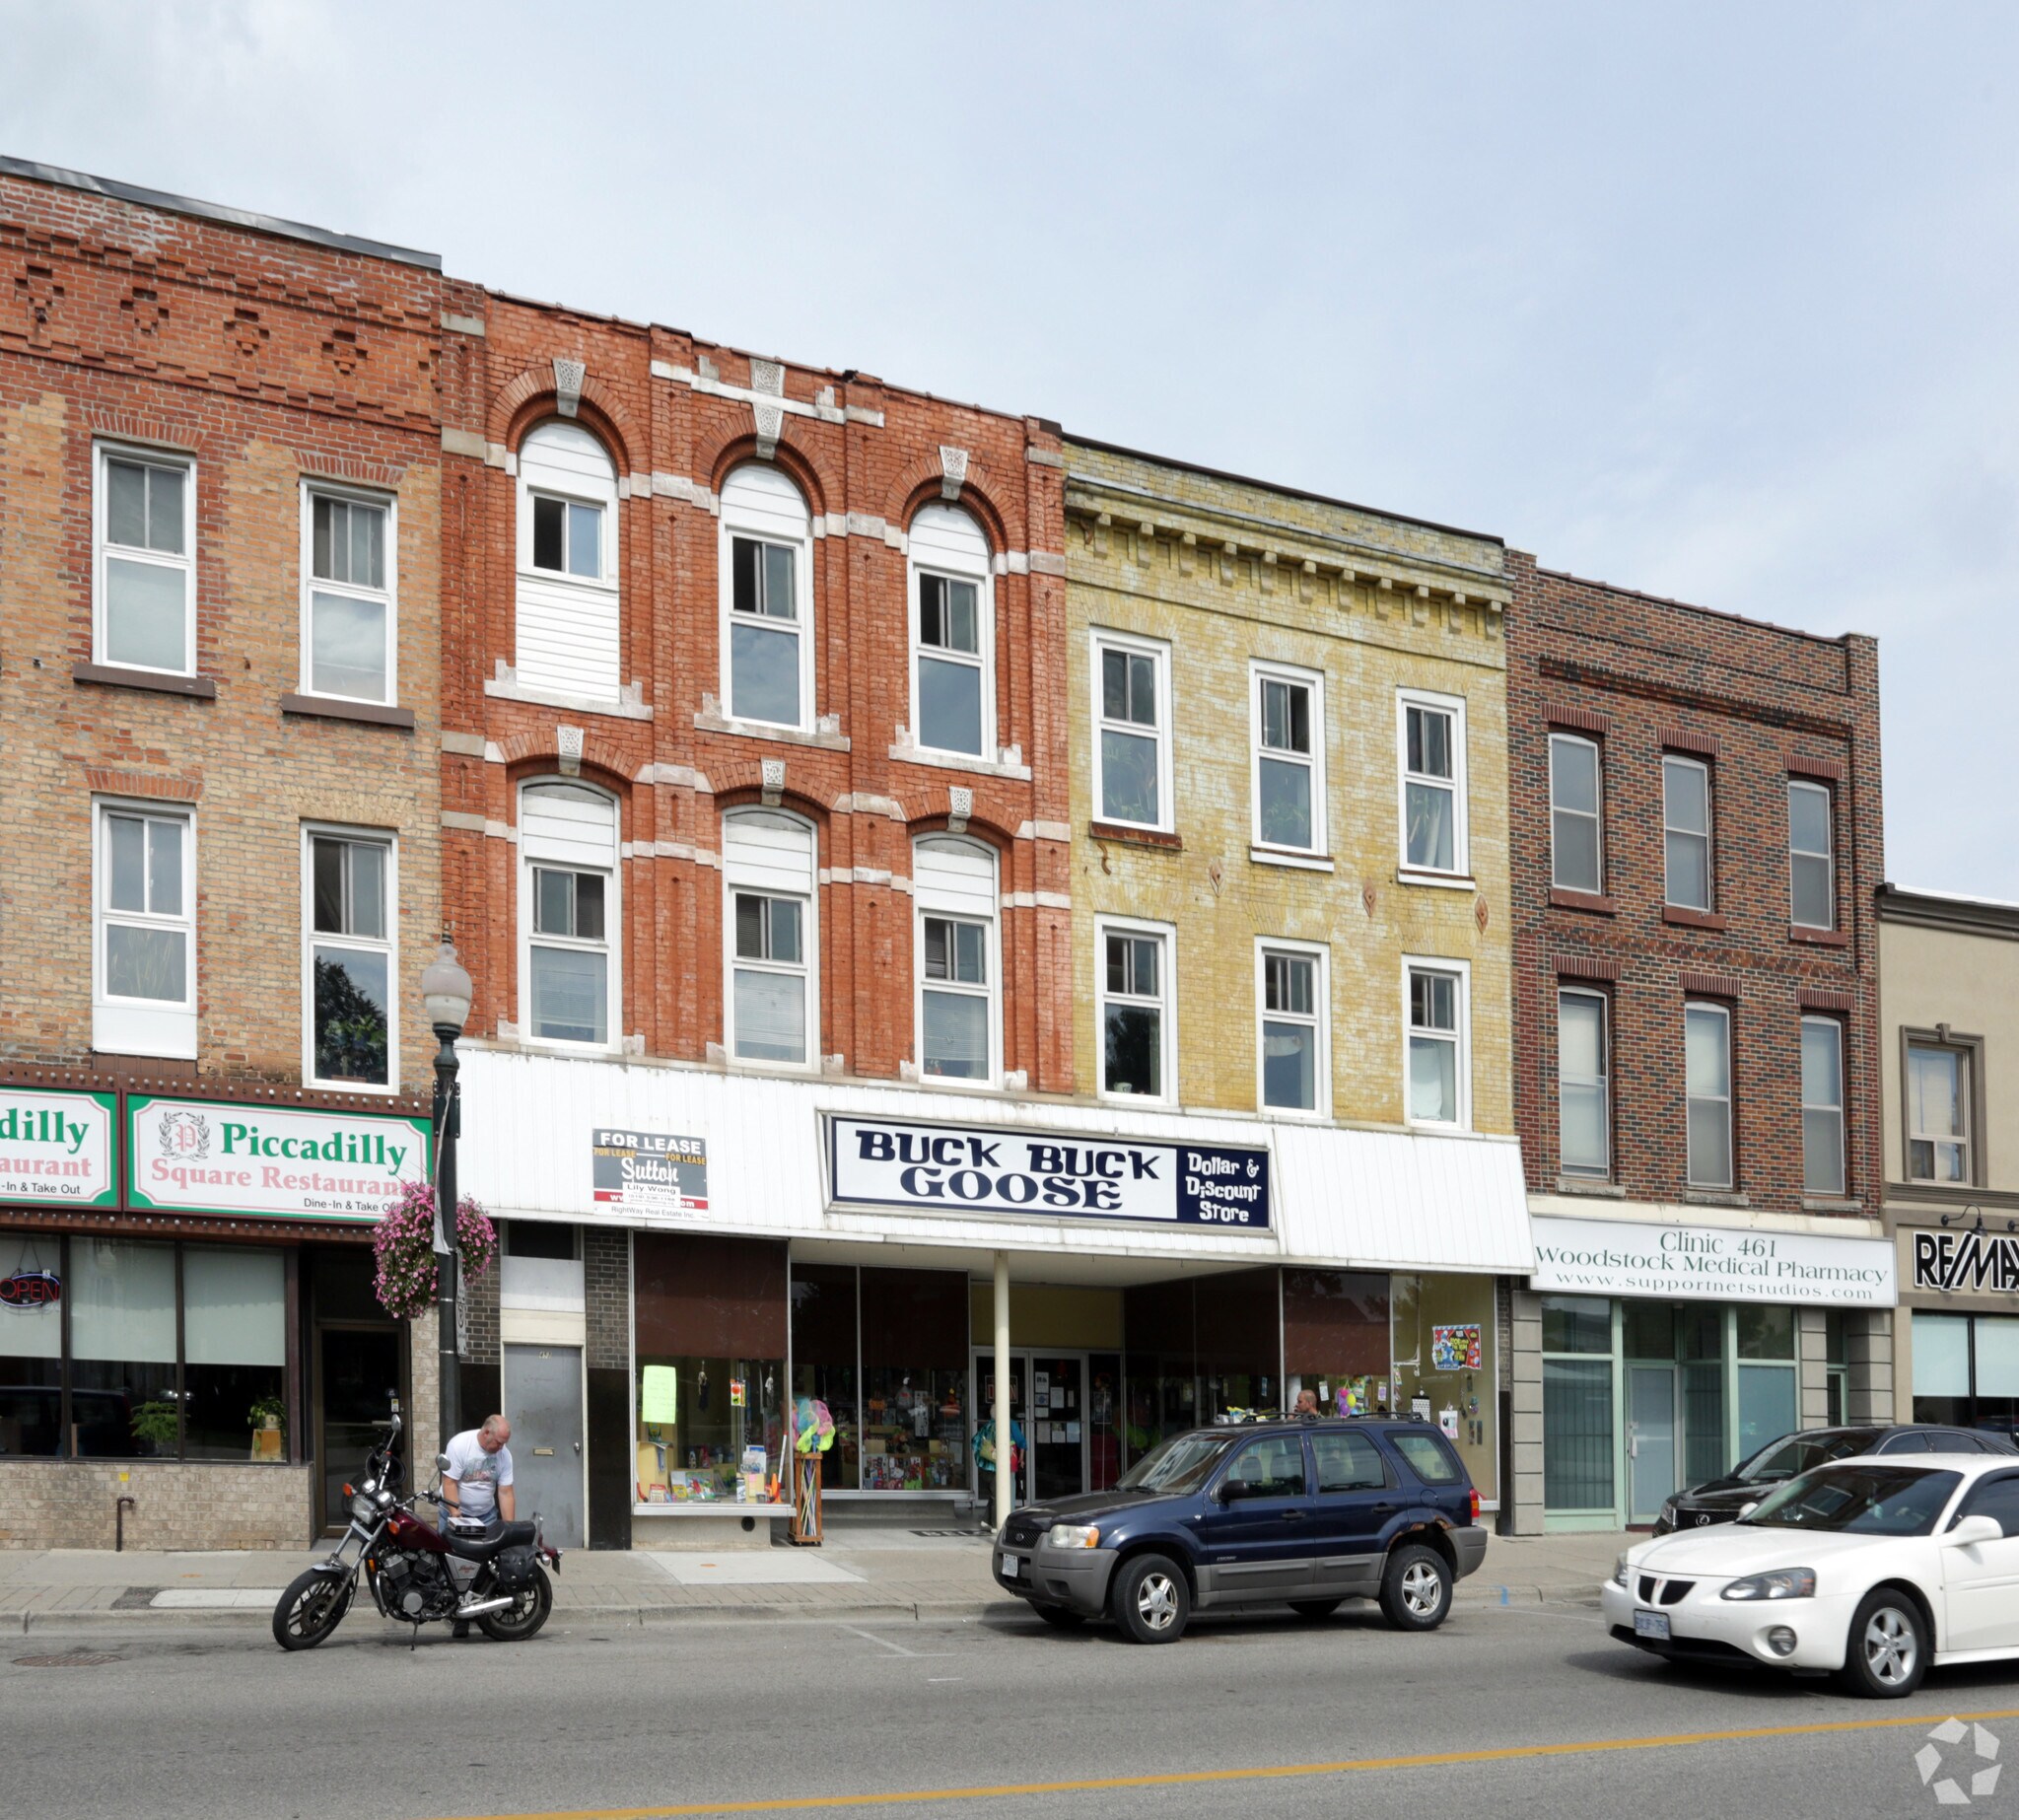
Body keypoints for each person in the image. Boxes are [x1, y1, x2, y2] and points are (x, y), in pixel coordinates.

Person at [442, 1415, 514, 1638]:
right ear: (486, 1434)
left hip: (487, 1516)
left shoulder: (504, 1455)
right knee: (451, 1568)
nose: (502, 1447)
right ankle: (457, 1618)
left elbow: (505, 1491)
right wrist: (457, 1515)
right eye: (499, 1442)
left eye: (504, 1443)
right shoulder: (460, 1445)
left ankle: (482, 1613)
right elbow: (450, 1482)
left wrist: (508, 1531)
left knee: (484, 1570)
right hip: (455, 1514)